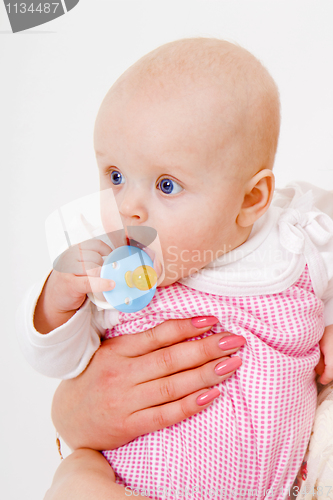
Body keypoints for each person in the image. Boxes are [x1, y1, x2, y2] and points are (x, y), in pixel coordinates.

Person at [17, 38, 333, 499]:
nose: (129, 208)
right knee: (78, 484)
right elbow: (63, 361)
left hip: (273, 488)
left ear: (250, 199)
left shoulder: (298, 245)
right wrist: (56, 302)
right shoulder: (115, 270)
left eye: (167, 185)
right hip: (132, 487)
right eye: (115, 176)